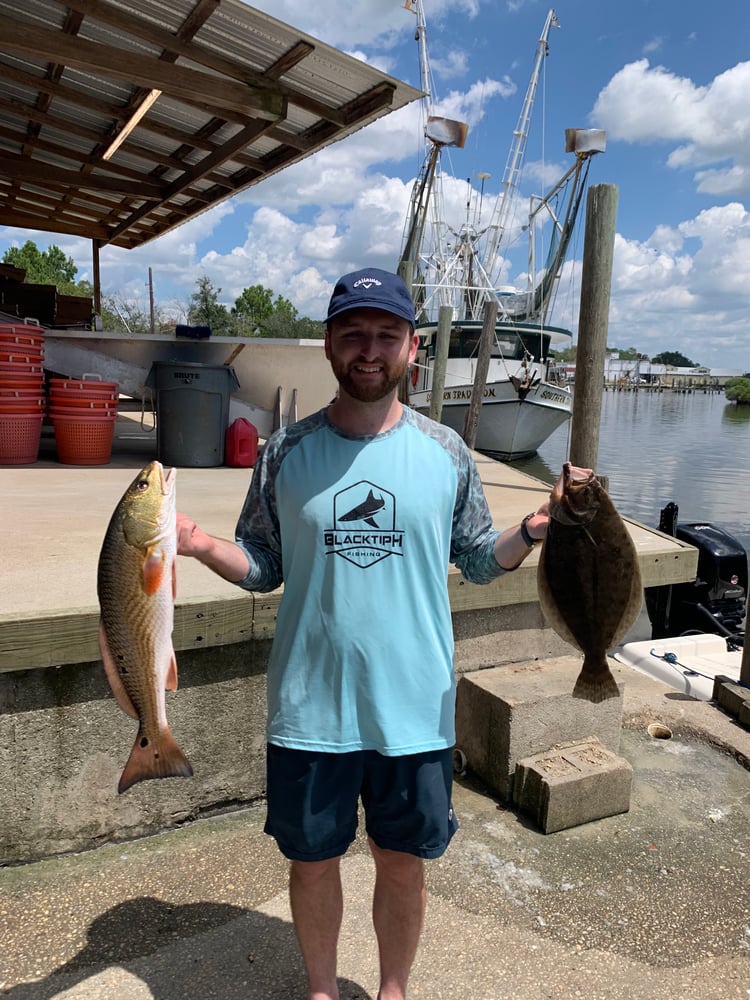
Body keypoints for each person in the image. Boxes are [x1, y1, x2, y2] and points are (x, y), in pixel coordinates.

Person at [176, 267, 551, 1000]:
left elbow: (476, 562)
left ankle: (394, 990)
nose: (369, 350)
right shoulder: (283, 452)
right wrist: (195, 543)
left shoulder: (448, 452)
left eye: (386, 335)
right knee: (312, 861)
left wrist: (534, 530)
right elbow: (262, 566)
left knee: (401, 858)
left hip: (414, 710)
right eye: (353, 334)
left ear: (413, 347)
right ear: (328, 345)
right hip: (310, 708)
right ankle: (321, 990)